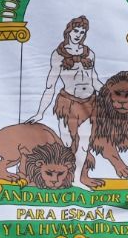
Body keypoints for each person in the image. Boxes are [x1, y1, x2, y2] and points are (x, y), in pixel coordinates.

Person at [26, 15, 100, 152]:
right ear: (69, 31)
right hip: (69, 103)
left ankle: (77, 174)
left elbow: (95, 80)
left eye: (82, 32)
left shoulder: (89, 54)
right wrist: (40, 113)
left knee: (84, 145)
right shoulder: (58, 54)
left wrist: (110, 94)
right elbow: (50, 86)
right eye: (76, 31)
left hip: (90, 103)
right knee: (67, 144)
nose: (78, 35)